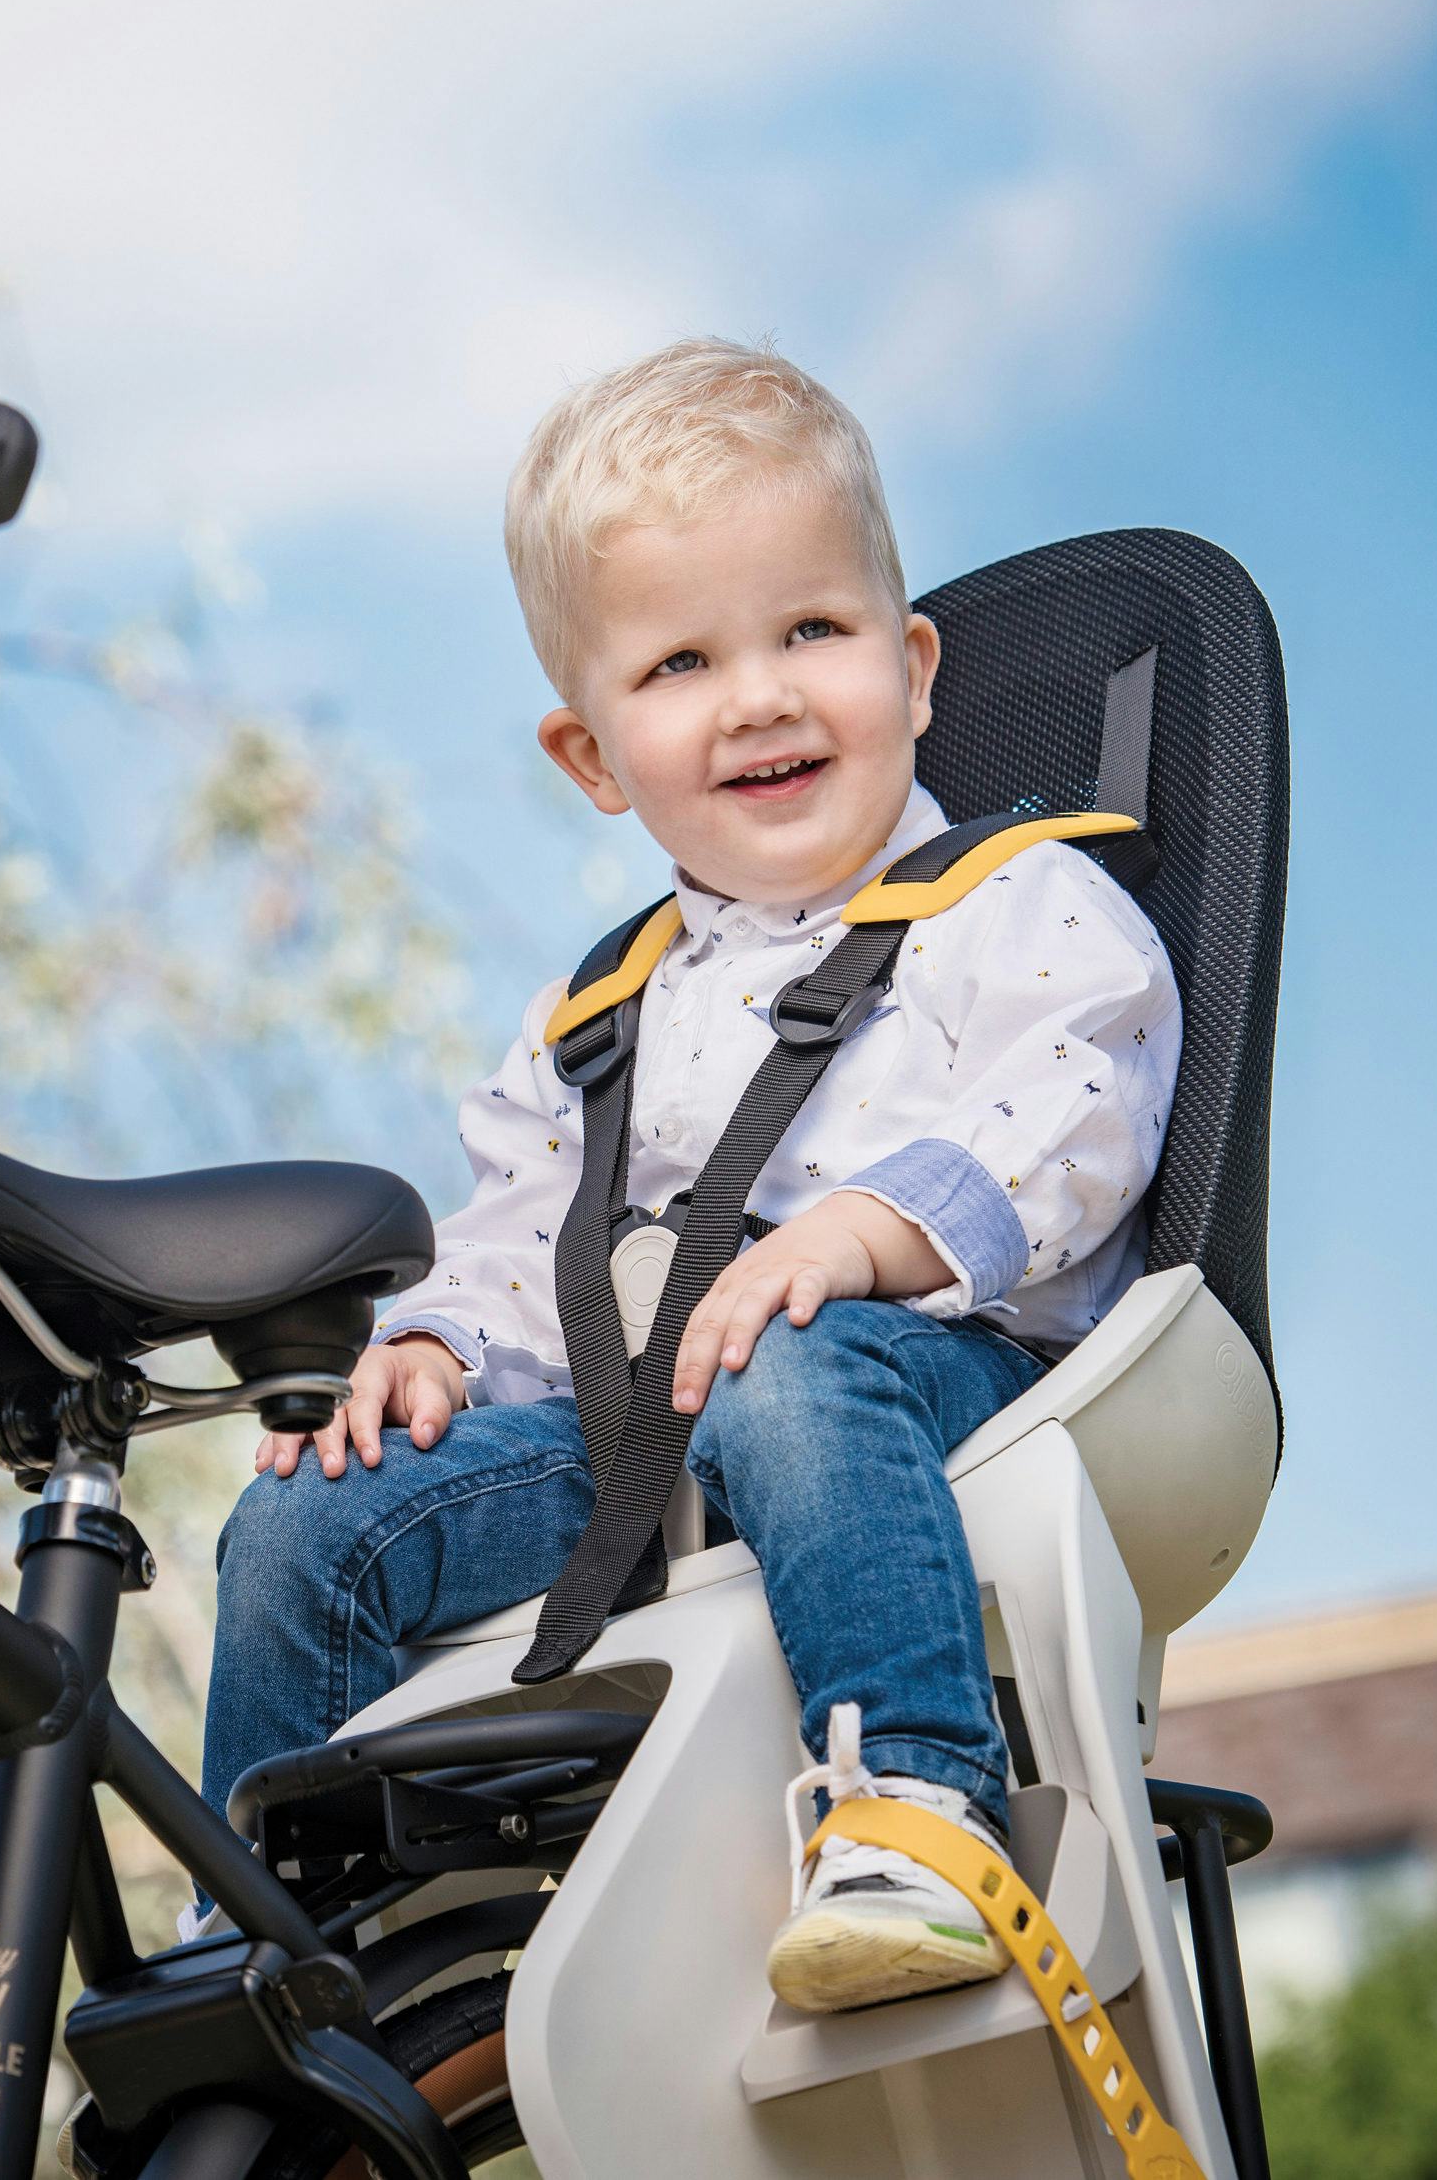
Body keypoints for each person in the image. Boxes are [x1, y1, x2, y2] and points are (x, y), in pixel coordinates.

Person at [199, 338, 1181, 2014]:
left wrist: (868, 1232)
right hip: (639, 1437)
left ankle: (916, 1807)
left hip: (939, 1387)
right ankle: (268, 1941)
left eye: (813, 630)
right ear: (593, 757)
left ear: (912, 667)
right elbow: (524, 1231)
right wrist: (436, 1345)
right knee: (308, 1512)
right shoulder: (597, 1015)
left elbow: (1082, 1099)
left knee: (787, 1359)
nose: (760, 696)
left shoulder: (1014, 901)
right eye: (680, 662)